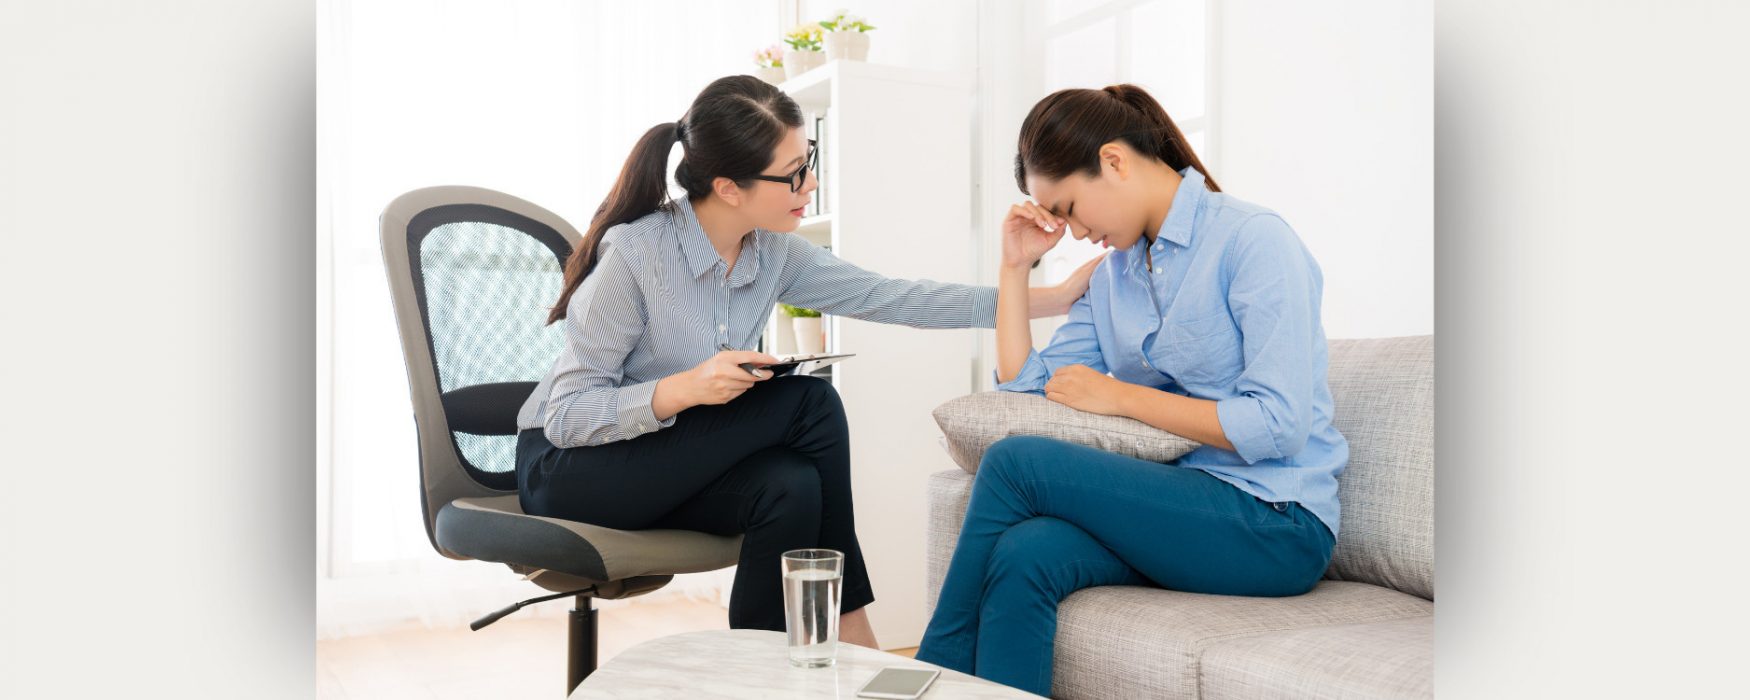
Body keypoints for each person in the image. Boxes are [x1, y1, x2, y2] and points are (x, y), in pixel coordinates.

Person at [514, 75, 1097, 648]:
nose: (810, 183)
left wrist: (1049, 297)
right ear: (728, 187)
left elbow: (894, 297)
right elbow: (567, 416)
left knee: (790, 486)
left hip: (662, 463)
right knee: (811, 399)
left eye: (808, 160)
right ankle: (851, 627)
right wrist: (685, 388)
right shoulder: (635, 255)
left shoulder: (772, 253)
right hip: (570, 469)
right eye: (793, 174)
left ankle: (762, 671)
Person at [915, 84, 1349, 696]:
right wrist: (1015, 269)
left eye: (1066, 208)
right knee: (1025, 554)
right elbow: (1027, 391)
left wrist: (1121, 397)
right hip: (1181, 505)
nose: (1068, 230)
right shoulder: (1114, 275)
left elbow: (1277, 425)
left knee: (1016, 464)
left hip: (1275, 521)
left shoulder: (1253, 239)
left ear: (1113, 161)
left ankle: (932, 670)